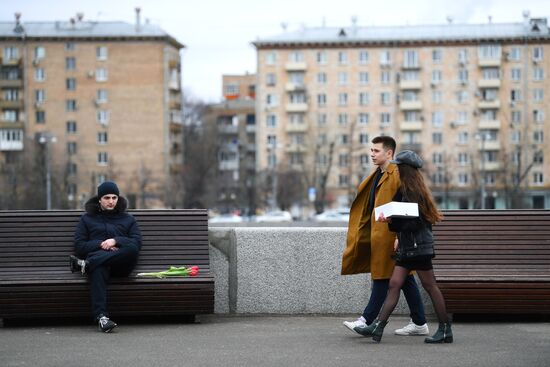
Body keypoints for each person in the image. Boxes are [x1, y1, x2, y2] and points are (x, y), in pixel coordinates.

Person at [354, 150, 453, 343]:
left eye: (398, 167)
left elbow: (414, 223)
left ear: (405, 169)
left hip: (418, 247)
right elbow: (405, 219)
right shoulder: (407, 189)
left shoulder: (413, 192)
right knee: (394, 284)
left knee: (430, 286)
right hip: (409, 247)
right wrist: (394, 222)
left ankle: (445, 329)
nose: (396, 170)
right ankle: (378, 327)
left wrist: (392, 221)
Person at [342, 136, 429, 337]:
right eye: (371, 150)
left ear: (389, 153)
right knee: (406, 280)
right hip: (380, 236)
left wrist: (400, 234)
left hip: (391, 237)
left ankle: (365, 320)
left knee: (381, 278)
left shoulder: (397, 174)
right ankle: (419, 322)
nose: (372, 154)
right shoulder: (378, 175)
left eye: (376, 151)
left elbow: (407, 206)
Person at [70, 181, 141, 333]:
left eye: (114, 197)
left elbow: (136, 242)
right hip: (101, 266)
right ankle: (102, 318)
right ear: (99, 199)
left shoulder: (128, 219)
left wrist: (116, 240)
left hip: (121, 265)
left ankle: (87, 264)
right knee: (99, 268)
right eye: (107, 197)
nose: (111, 201)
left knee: (132, 249)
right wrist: (102, 244)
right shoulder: (87, 219)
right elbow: (80, 246)